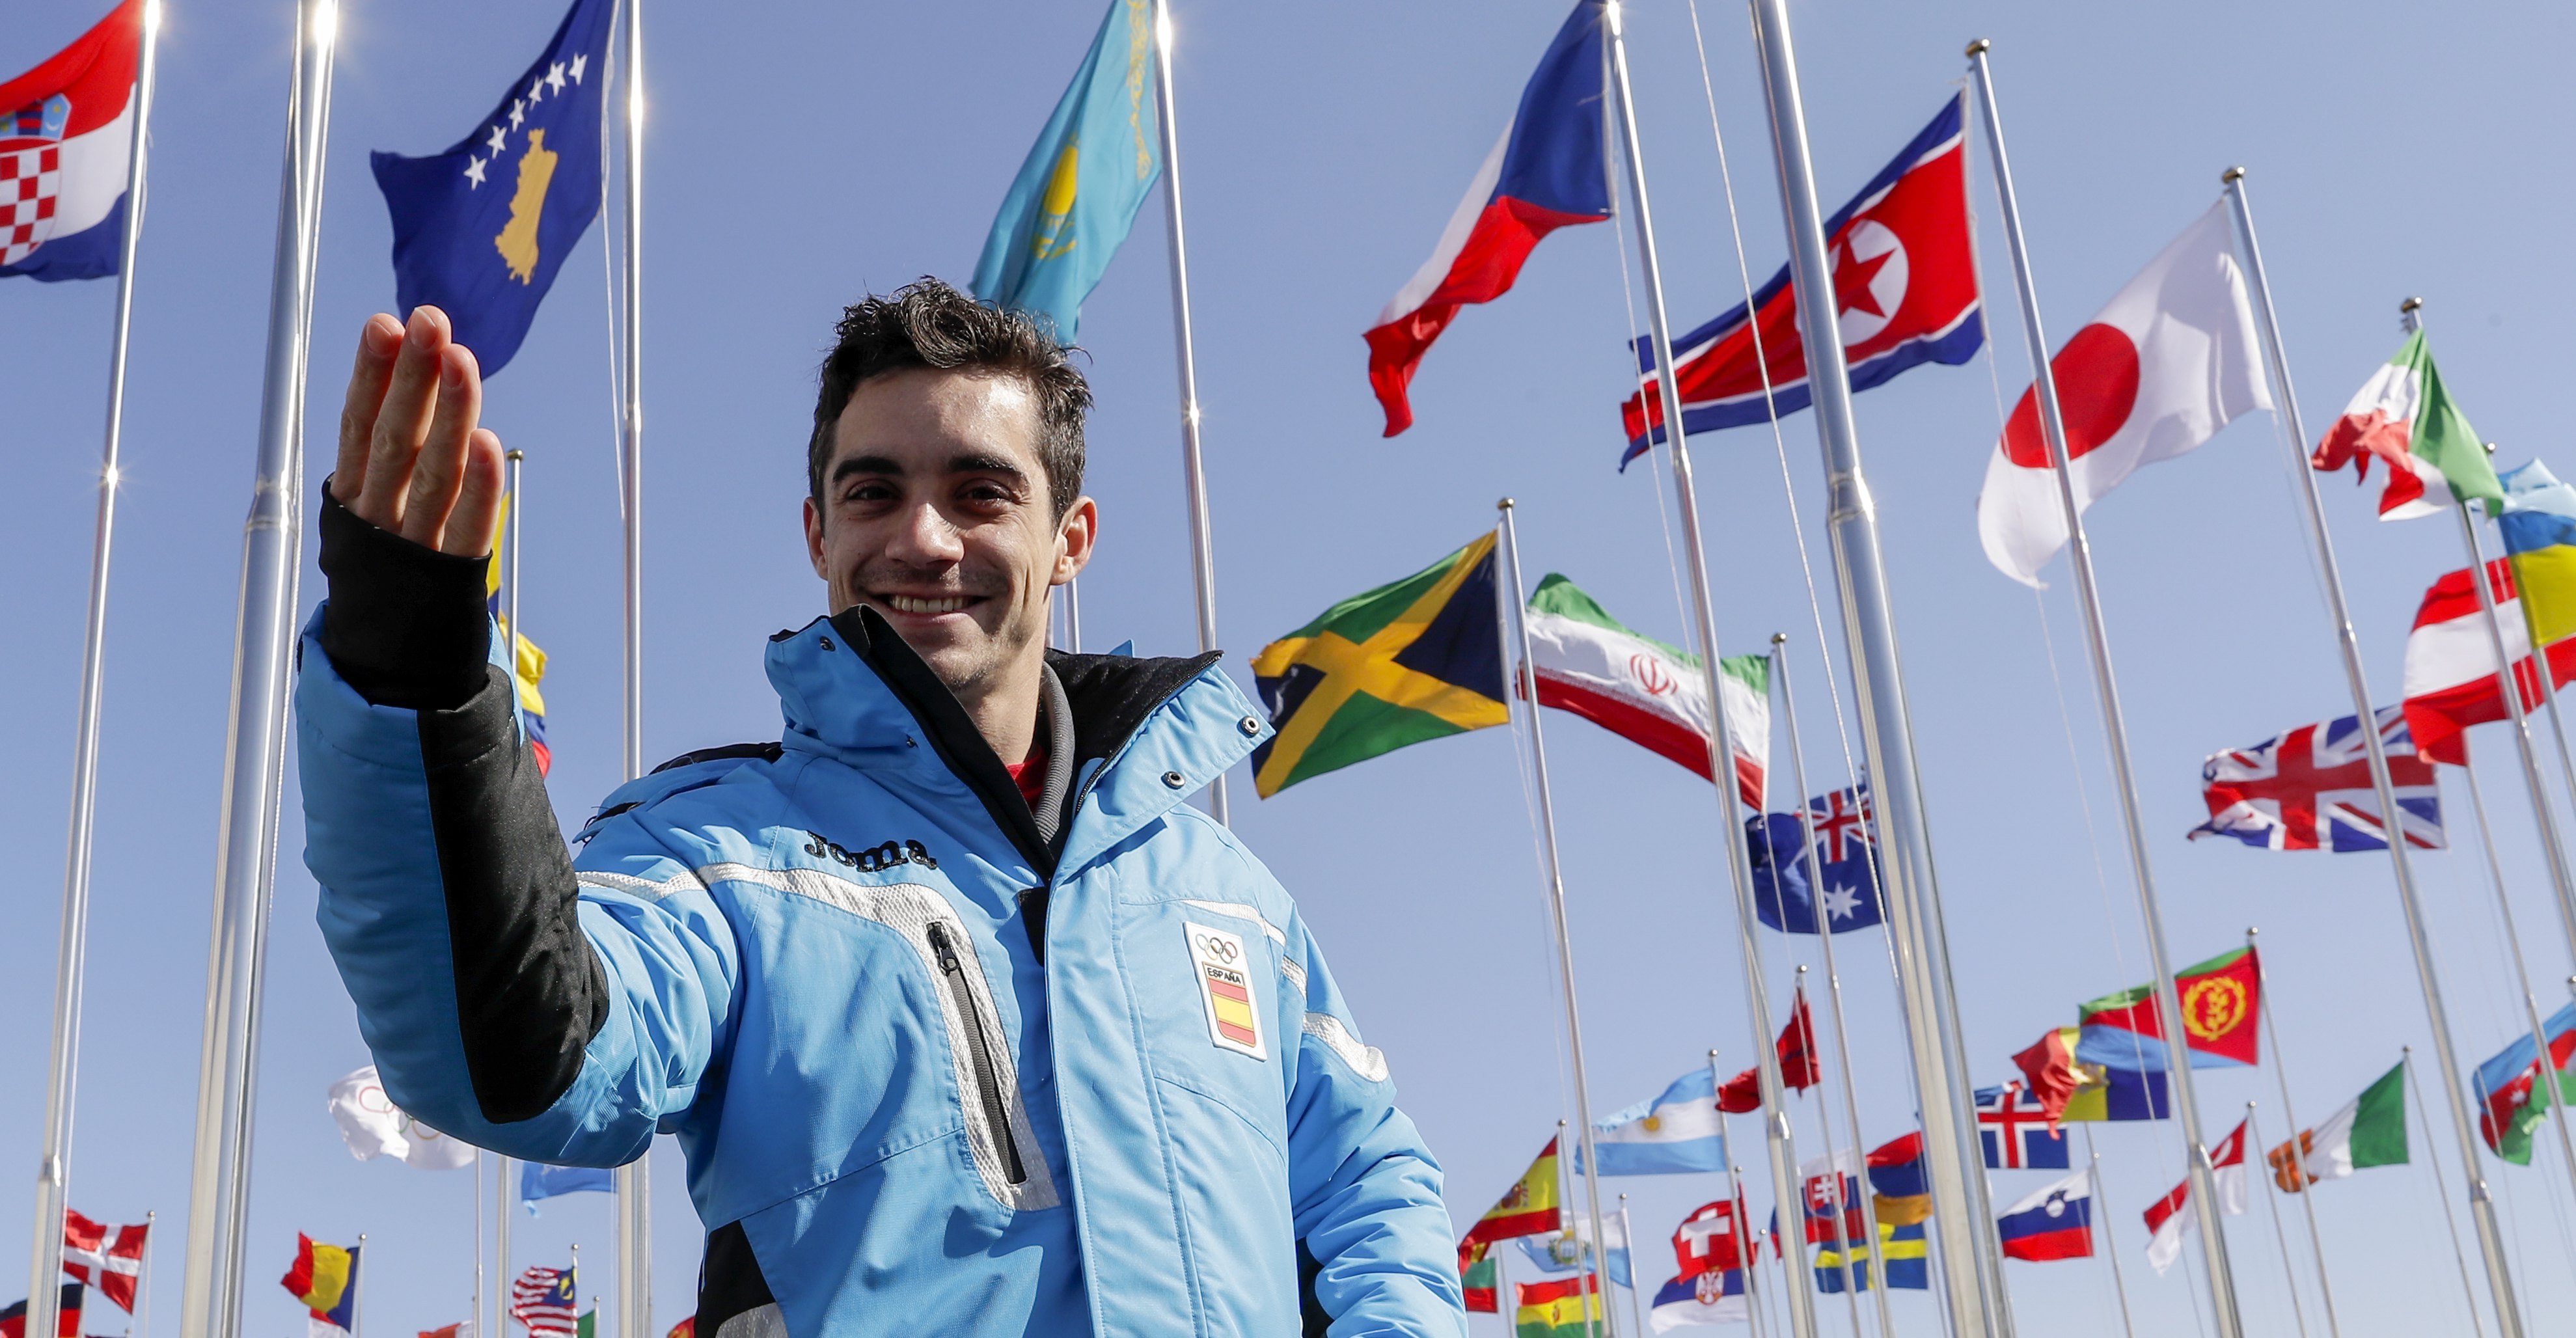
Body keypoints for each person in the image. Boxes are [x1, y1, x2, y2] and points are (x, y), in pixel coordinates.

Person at [297, 279, 1462, 1337]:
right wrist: (410, 672)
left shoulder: (1228, 894)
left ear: (1070, 541)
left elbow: (1367, 1188)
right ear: (819, 532)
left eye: (979, 491)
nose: (923, 537)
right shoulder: (710, 850)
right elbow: (522, 1062)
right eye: (874, 492)